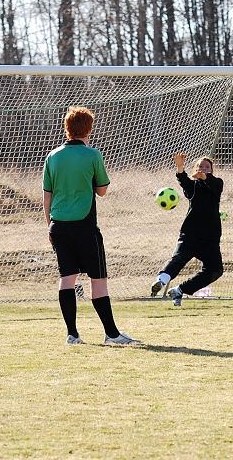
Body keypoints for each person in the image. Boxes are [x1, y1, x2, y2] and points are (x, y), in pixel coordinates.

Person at [43, 106, 140, 344]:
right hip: (85, 226)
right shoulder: (93, 154)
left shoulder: (53, 156)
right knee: (98, 280)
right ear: (89, 129)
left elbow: (47, 195)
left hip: (59, 226)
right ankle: (111, 334)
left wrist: (49, 227)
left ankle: (72, 335)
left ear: (67, 128)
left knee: (67, 278)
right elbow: (102, 190)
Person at [150, 152, 224, 306]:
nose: (203, 169)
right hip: (190, 234)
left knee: (216, 270)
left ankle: (179, 290)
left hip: (210, 238)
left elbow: (211, 182)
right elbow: (183, 181)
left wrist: (204, 177)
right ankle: (161, 280)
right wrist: (179, 167)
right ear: (194, 170)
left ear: (212, 170)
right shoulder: (193, 187)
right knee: (178, 259)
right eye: (200, 166)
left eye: (207, 167)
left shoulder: (217, 184)